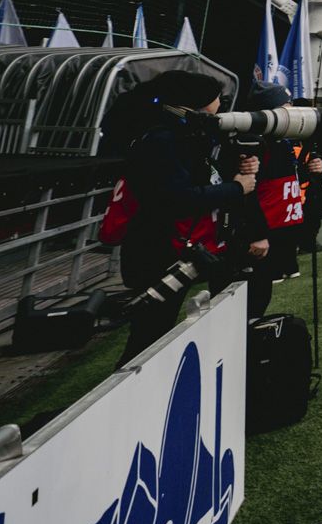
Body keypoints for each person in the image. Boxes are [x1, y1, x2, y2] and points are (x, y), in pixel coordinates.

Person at [102, 71, 254, 364]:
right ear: (195, 102)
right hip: (157, 253)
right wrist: (237, 188)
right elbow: (178, 199)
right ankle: (133, 396)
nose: (220, 105)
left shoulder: (178, 135)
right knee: (149, 336)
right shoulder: (164, 139)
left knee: (157, 330)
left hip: (169, 247)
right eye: (216, 98)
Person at [220, 82, 303, 317]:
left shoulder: (282, 142)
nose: (292, 113)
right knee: (251, 299)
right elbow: (247, 192)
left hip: (276, 232)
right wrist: (257, 233)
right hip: (256, 235)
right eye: (285, 107)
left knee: (262, 293)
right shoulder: (252, 143)